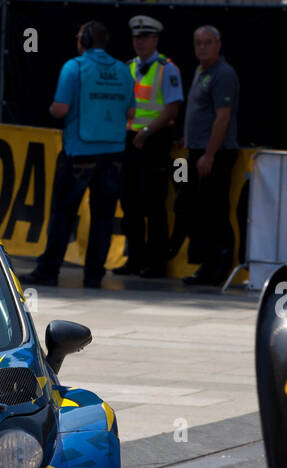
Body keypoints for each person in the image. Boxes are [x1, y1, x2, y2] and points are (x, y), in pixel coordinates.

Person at [19, 20, 134, 290]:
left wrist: (52, 109)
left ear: (83, 39)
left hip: (80, 150)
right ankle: (94, 275)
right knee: (103, 216)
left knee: (63, 213)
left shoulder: (75, 67)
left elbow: (60, 108)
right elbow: (130, 113)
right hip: (114, 151)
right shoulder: (123, 70)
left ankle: (49, 271)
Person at [114, 15, 182, 279]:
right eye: (136, 38)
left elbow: (172, 108)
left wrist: (146, 131)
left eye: (145, 37)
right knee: (130, 202)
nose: (140, 42)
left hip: (154, 140)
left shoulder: (167, 69)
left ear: (155, 39)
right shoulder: (128, 66)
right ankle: (135, 258)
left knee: (153, 203)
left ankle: (156, 263)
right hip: (129, 140)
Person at [180, 25, 239, 287]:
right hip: (196, 151)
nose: (202, 47)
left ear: (219, 45)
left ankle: (218, 269)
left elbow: (222, 117)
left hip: (215, 153)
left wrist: (209, 154)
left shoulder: (223, 74)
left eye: (208, 42)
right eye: (198, 42)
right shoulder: (200, 71)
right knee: (193, 208)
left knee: (215, 211)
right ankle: (205, 265)